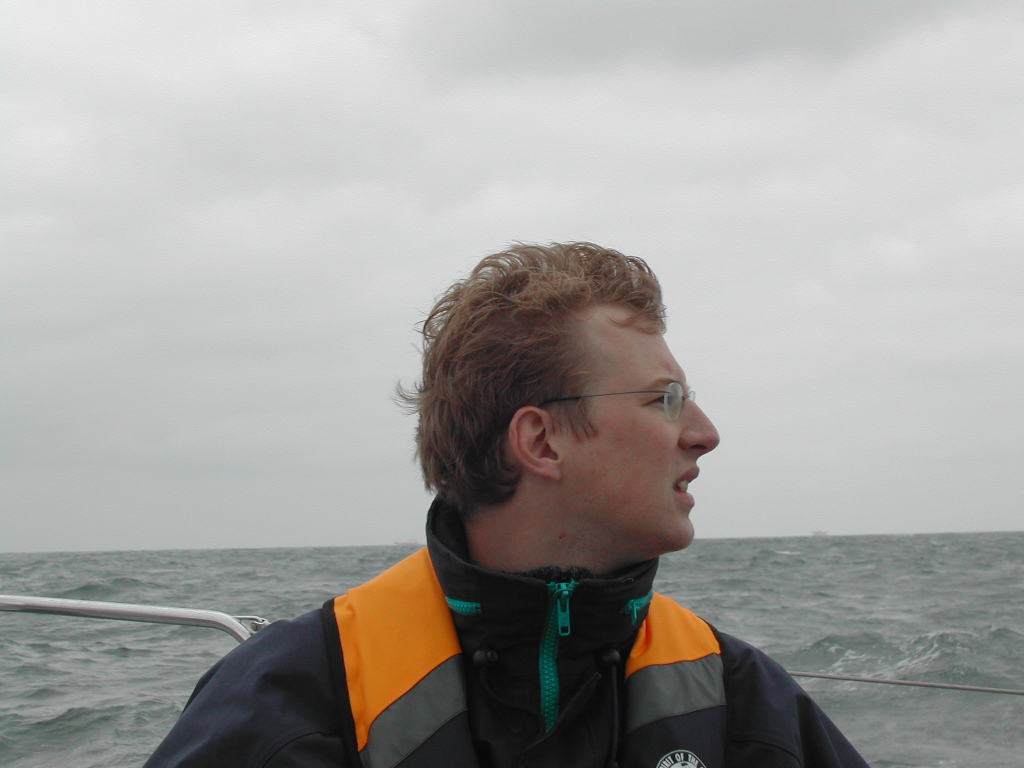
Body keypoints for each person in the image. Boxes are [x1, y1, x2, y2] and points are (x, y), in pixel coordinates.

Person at [145, 242, 869, 768]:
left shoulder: (740, 702)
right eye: (665, 400)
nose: (704, 434)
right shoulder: (296, 703)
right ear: (541, 441)